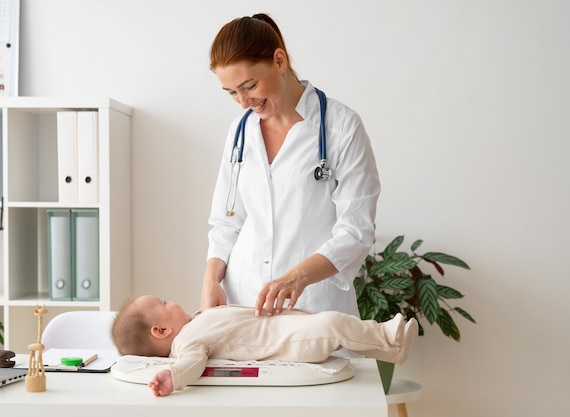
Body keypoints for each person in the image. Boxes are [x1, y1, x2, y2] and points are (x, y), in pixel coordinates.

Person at [202, 13, 381, 318]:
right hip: (244, 302)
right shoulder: (239, 132)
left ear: (280, 61)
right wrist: (210, 279)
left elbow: (356, 230)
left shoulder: (341, 127)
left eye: (249, 85)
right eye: (231, 92)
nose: (243, 102)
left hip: (314, 305)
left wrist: (296, 277)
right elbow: (227, 221)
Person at [111, 295, 418, 397]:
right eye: (164, 302)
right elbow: (191, 365)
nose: (173, 300)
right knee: (334, 324)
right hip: (288, 343)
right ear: (161, 330)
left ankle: (391, 350)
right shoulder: (187, 341)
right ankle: (389, 335)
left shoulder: (192, 326)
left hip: (287, 327)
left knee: (335, 328)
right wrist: (172, 376)